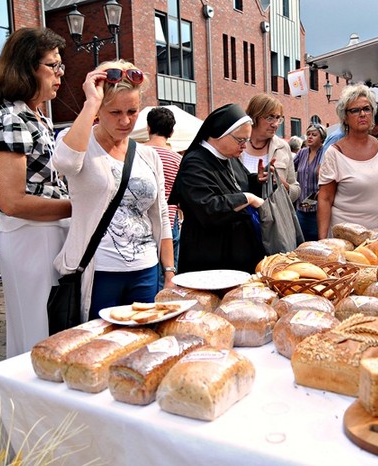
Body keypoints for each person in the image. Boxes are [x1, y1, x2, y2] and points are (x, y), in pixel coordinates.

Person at [53, 61, 175, 321]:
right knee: (100, 349)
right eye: (114, 112)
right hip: (99, 271)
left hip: (146, 268)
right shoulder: (79, 142)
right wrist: (90, 103)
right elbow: (64, 163)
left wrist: (169, 270)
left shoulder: (147, 155)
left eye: (132, 111)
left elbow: (161, 215)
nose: (125, 120)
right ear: (100, 111)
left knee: (142, 346)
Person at [0, 28, 71, 358]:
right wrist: (77, 207)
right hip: (31, 236)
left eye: (61, 66)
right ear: (27, 67)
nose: (60, 74)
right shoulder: (12, 115)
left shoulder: (35, 115)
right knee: (38, 331)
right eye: (53, 65)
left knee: (49, 327)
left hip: (44, 232)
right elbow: (12, 200)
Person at [169, 103, 265, 274]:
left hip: (237, 251)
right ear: (220, 134)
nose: (244, 146)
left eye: (247, 140)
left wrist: (258, 179)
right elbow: (208, 207)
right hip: (210, 256)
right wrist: (247, 198)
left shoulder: (230, 157)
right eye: (241, 140)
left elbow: (239, 184)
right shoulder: (195, 162)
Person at [317, 84, 378, 238]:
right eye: (355, 110)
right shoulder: (335, 153)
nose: (362, 114)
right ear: (345, 117)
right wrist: (323, 241)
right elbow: (325, 199)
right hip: (345, 240)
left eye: (367, 109)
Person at [145, 106, 182, 287]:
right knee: (169, 272)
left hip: (143, 219)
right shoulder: (177, 159)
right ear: (172, 131)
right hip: (170, 218)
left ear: (148, 128)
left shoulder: (136, 153)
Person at [242, 94, 301, 203]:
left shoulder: (282, 147)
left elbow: (296, 189)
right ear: (254, 117)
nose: (275, 124)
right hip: (241, 215)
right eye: (270, 118)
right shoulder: (237, 145)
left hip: (274, 216)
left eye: (278, 118)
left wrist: (281, 184)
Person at [293, 123, 326, 241]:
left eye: (314, 135)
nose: (310, 137)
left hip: (318, 211)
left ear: (322, 137)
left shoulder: (325, 153)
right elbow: (290, 168)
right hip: (300, 209)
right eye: (308, 134)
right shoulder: (302, 153)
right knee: (300, 243)